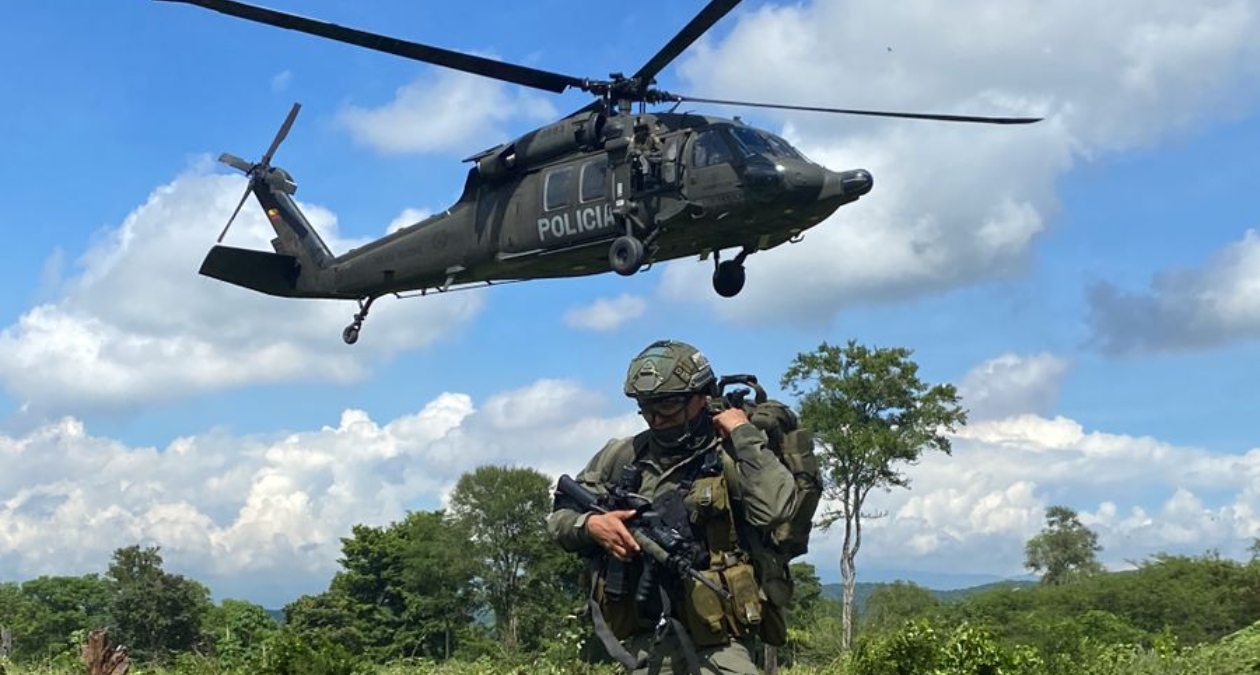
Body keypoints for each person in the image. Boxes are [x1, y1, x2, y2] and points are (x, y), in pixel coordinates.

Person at [548, 339, 799, 674]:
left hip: (722, 639)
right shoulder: (623, 455)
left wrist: (743, 433)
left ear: (702, 397)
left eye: (666, 406)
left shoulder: (733, 450)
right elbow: (559, 518)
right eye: (646, 407)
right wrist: (591, 526)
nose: (655, 418)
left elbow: (776, 508)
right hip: (649, 637)